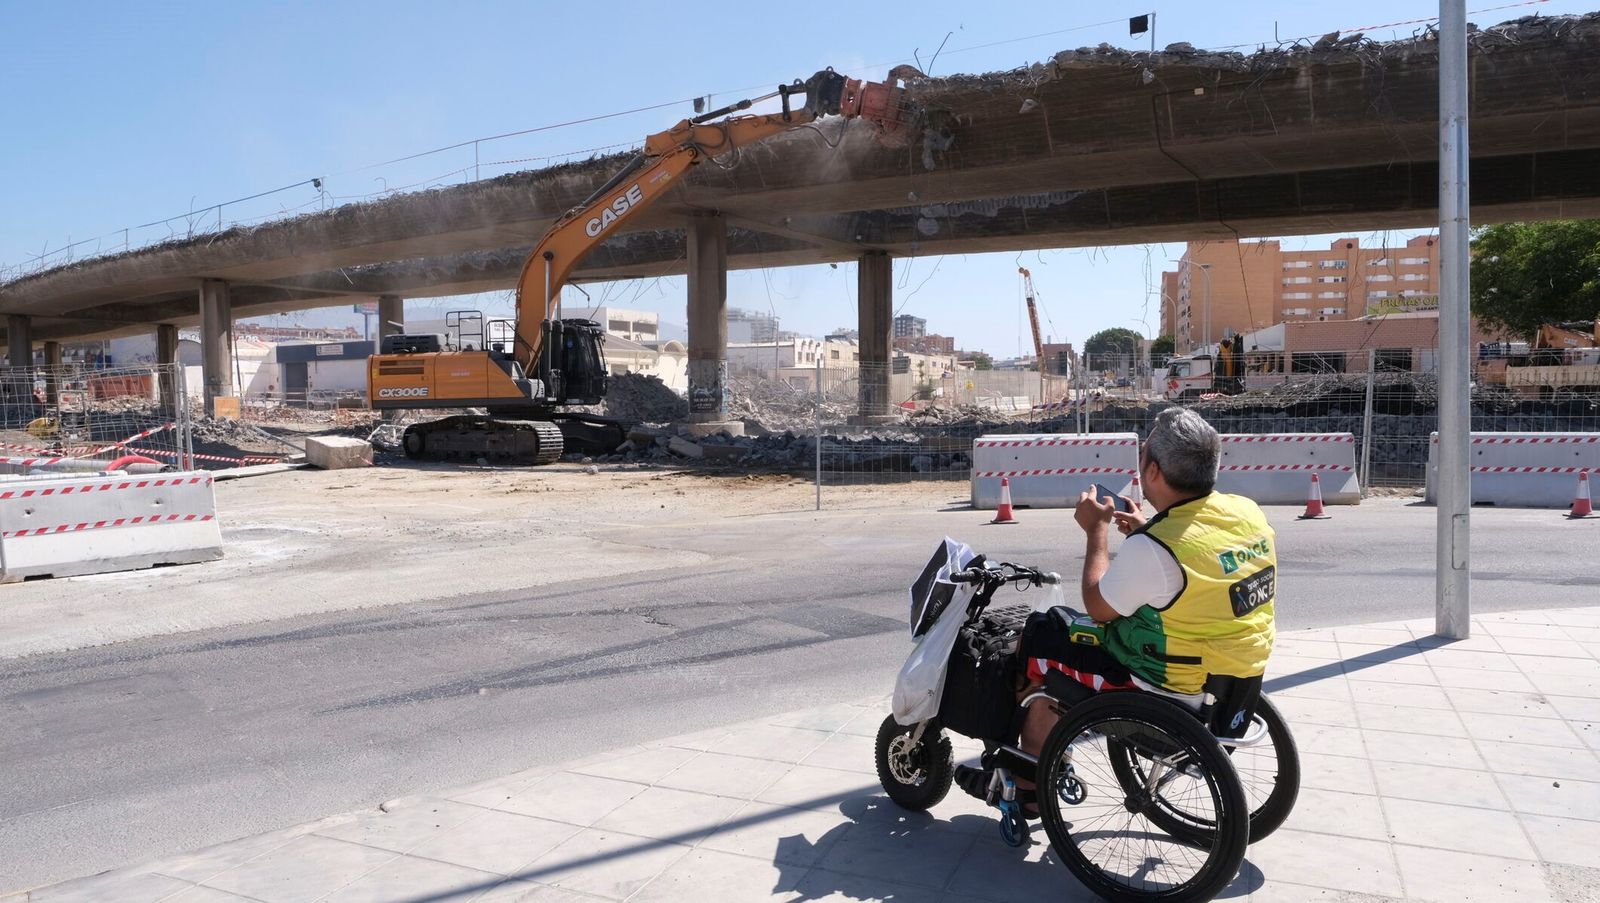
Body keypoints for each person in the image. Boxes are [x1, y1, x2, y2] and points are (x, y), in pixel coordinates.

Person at [955, 407, 1277, 807]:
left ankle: (1029, 782)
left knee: (1038, 640)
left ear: (1154, 471)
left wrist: (1097, 532)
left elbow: (1098, 604)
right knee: (1060, 634)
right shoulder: (1245, 512)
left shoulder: (1158, 549)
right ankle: (1045, 754)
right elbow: (1201, 565)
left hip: (1165, 689)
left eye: (1143, 456)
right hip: (1230, 682)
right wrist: (1146, 530)